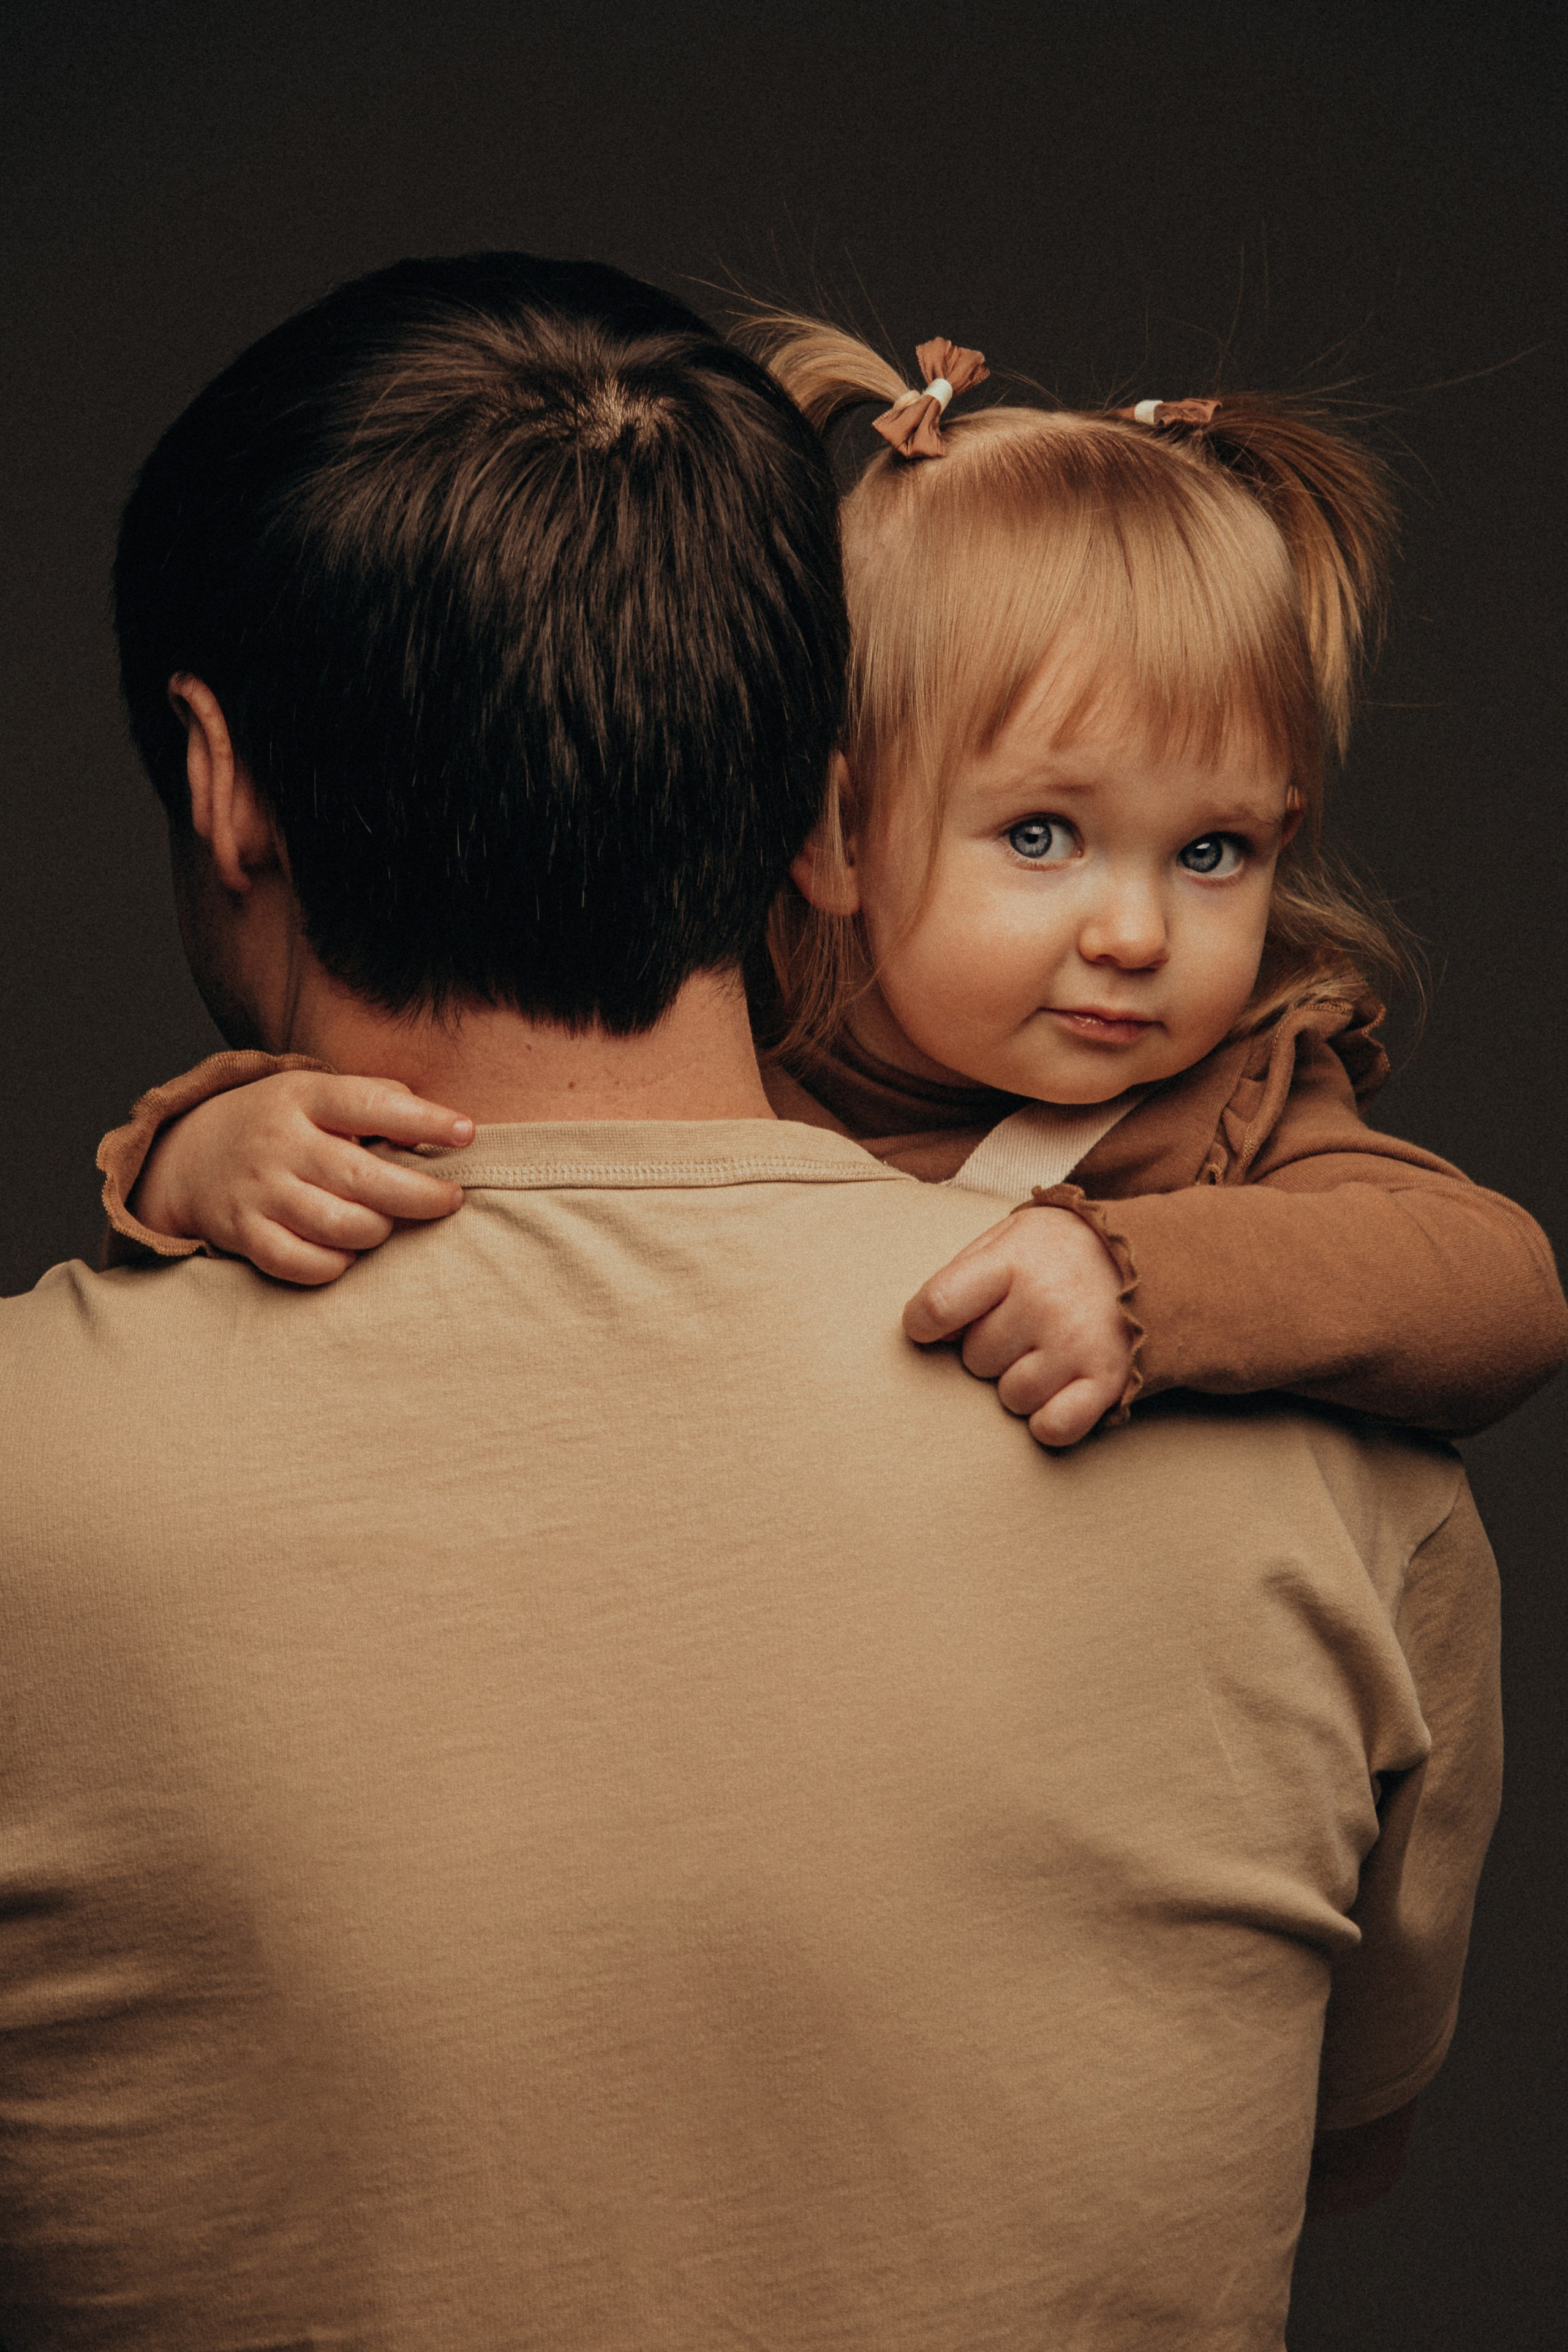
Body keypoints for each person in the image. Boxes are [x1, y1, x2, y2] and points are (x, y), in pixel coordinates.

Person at [0, 254, 1504, 2350]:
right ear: (819, 798)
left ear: (217, 776)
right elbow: (1330, 2136)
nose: (1134, 931)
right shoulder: (1334, 1473)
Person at [97, 319, 1567, 1455]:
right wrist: (198, 1155)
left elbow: (1498, 1289)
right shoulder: (728, 1036)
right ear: (833, 834)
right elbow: (480, 1139)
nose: (1134, 935)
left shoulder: (1227, 1108)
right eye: (1040, 836)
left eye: (1210, 854)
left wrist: (1143, 1282)